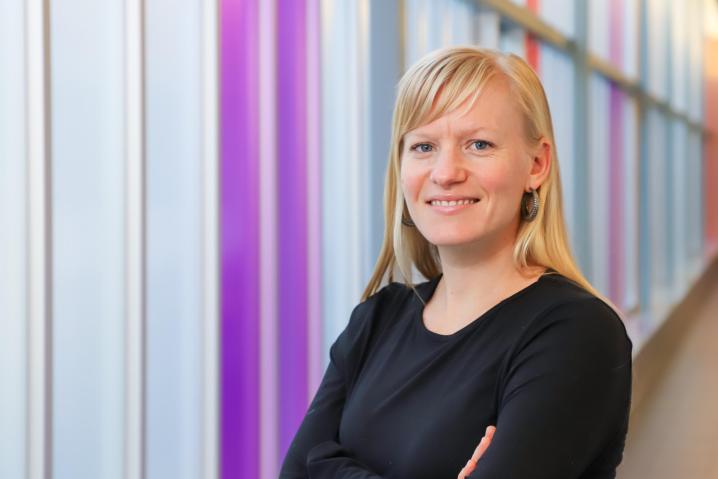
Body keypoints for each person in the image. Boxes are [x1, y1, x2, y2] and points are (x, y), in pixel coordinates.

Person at [279, 45, 632, 479]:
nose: (446, 172)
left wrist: (329, 466)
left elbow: (312, 463)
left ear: (536, 164)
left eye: (479, 144)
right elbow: (296, 470)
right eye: (424, 146)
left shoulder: (576, 334)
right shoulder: (378, 317)